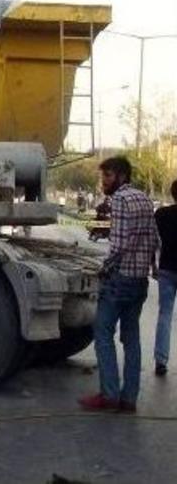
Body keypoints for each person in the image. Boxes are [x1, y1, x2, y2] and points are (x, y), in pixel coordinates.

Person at [79, 156, 160, 413]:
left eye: (108, 176)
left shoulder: (121, 200)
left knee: (102, 333)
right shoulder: (145, 199)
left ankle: (109, 393)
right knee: (131, 338)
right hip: (139, 280)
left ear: (122, 177)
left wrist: (104, 269)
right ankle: (129, 399)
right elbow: (156, 240)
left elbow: (120, 245)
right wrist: (152, 268)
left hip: (120, 279)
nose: (103, 182)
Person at [154, 180, 177, 376]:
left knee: (165, 315)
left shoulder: (162, 215)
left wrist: (153, 265)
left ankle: (161, 360)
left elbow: (153, 241)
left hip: (167, 269)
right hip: (167, 270)